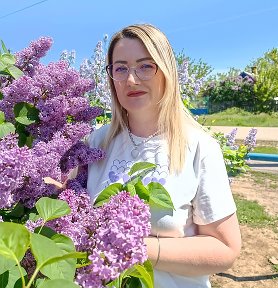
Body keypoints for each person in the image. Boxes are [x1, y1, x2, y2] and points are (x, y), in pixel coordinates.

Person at [87, 23, 241, 288]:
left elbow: (225, 249)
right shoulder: (98, 141)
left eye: (145, 66)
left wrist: (133, 250)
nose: (131, 80)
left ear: (166, 71)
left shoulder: (199, 146)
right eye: (120, 68)